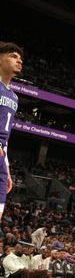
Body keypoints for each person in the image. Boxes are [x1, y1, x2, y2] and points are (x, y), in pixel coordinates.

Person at [0, 42, 22, 223]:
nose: (19, 60)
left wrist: (6, 170)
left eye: (20, 58)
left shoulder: (14, 97)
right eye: (13, 56)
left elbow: (5, 138)